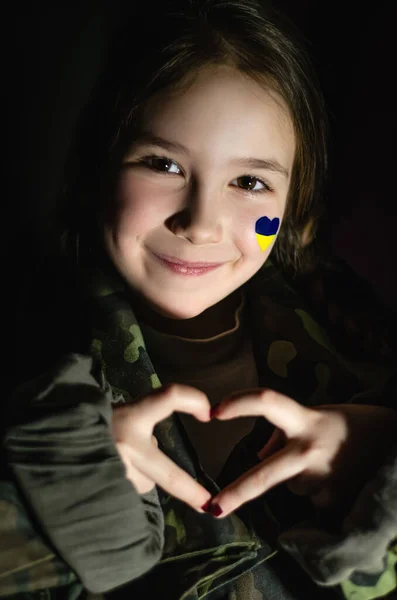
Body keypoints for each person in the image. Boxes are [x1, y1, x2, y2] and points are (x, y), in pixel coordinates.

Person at [1, 1, 397, 599]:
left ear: (293, 201)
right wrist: (54, 482)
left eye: (250, 182)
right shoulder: (26, 357)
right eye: (162, 164)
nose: (202, 222)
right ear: (98, 168)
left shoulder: (360, 335)